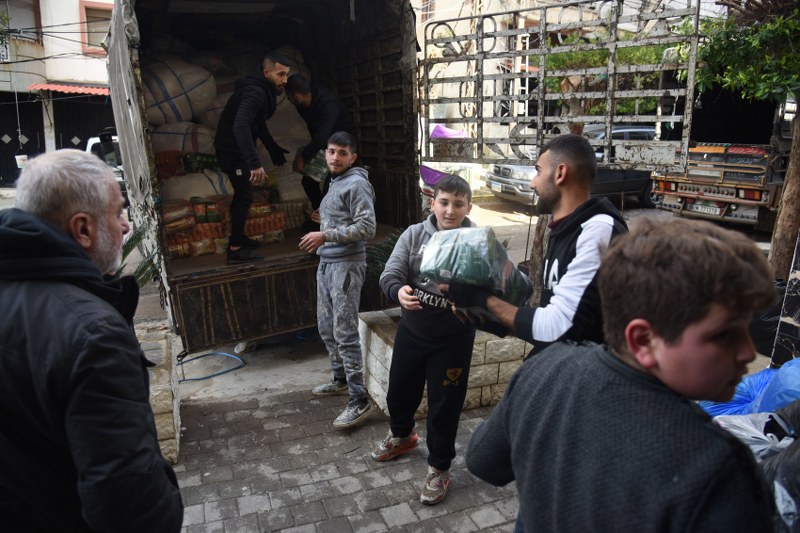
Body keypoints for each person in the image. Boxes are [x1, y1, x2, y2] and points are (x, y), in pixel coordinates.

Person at [466, 217, 777, 532]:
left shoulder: (543, 369)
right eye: (725, 335)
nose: (748, 352)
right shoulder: (717, 469)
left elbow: (483, 462)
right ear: (643, 340)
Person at [0, 149, 183, 532]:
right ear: (83, 229)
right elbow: (128, 503)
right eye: (117, 212)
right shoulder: (93, 334)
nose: (126, 225)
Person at [445, 134, 628, 355]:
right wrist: (492, 321)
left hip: (586, 380)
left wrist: (484, 301)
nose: (533, 182)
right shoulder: (565, 229)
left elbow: (561, 325)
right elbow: (554, 323)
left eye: (538, 171)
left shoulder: (597, 230)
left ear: (560, 173)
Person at [371, 174, 476, 505]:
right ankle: (402, 436)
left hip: (453, 342)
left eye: (458, 204)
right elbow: (390, 273)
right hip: (413, 333)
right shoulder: (414, 235)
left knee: (445, 407)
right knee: (399, 391)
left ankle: (439, 468)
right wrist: (398, 290)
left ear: (468, 207)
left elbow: (495, 287)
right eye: (444, 202)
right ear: (433, 203)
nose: (449, 210)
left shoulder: (477, 243)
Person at [300, 131, 376, 429]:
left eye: (342, 153)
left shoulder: (357, 183)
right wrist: (326, 220)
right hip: (327, 261)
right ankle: (340, 378)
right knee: (325, 326)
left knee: (344, 331)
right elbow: (346, 218)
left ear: (352, 157)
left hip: (346, 264)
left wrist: (326, 234)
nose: (335, 157)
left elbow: (367, 227)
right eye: (331, 151)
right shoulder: (335, 181)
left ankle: (359, 399)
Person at [215, 51, 292, 264]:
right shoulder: (255, 92)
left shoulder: (262, 90)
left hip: (236, 150)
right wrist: (254, 163)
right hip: (232, 151)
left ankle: (239, 238)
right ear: (266, 72)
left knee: (244, 195)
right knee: (245, 195)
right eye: (280, 75)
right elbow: (241, 125)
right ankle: (235, 249)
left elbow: (257, 123)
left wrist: (272, 147)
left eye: (286, 75)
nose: (284, 80)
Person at [285, 74, 357, 216]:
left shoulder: (328, 104)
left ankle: (331, 224)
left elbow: (321, 136)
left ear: (296, 95)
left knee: (330, 187)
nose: (288, 100)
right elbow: (316, 133)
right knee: (308, 182)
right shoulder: (303, 105)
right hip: (325, 145)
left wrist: (303, 157)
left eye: (289, 96)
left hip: (343, 147)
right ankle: (322, 218)